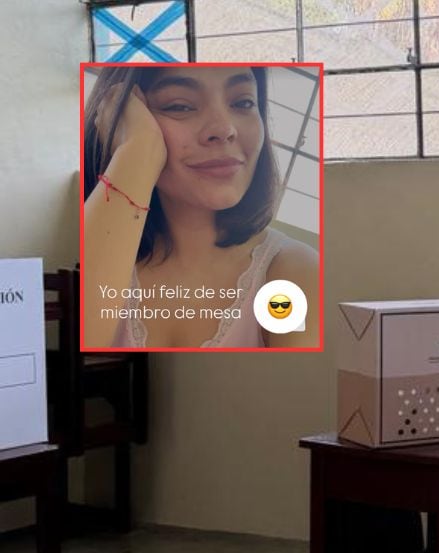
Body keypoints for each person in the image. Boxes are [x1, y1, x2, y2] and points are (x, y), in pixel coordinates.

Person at [83, 65, 318, 349]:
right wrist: (137, 149)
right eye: (180, 106)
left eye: (243, 102)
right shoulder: (105, 259)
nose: (224, 129)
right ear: (121, 123)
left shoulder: (290, 270)